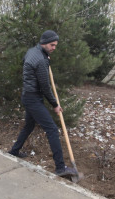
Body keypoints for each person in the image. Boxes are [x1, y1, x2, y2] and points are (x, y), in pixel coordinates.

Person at [8, 30, 77, 177]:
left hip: (27, 95)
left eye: (55, 45)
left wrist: (46, 58)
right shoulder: (41, 59)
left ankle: (14, 151)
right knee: (52, 129)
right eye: (52, 45)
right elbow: (45, 86)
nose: (54, 48)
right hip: (33, 98)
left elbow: (26, 62)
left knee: (29, 125)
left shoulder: (32, 52)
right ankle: (60, 167)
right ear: (44, 42)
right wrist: (55, 105)